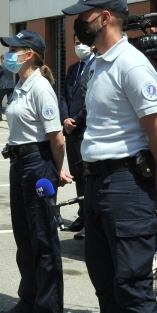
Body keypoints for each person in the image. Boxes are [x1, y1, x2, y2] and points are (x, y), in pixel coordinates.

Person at [61, 0, 157, 313]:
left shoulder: (131, 64)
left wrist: (154, 183)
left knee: (134, 288)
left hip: (128, 184)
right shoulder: (96, 65)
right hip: (101, 183)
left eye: (83, 16)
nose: (77, 23)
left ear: (104, 17)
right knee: (106, 281)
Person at [0, 31, 70, 313]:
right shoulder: (20, 86)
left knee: (43, 241)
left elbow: (56, 137)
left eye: (13, 50)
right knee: (24, 237)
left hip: (37, 164)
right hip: (20, 164)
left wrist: (56, 172)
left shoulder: (40, 87)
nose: (8, 55)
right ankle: (29, 301)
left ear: (29, 55)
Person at [59, 35, 95, 237]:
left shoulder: (95, 67)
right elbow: (64, 95)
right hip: (70, 131)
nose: (78, 46)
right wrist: (65, 118)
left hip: (84, 129)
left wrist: (77, 120)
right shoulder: (73, 68)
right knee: (78, 176)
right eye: (75, 42)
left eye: (82, 41)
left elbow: (91, 99)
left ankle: (91, 220)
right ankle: (82, 215)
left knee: (89, 176)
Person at [0, 55, 15, 121]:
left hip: (3, 86)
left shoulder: (2, 66)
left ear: (2, 59)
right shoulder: (11, 66)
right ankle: (10, 116)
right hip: (11, 86)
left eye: (0, 59)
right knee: (10, 101)